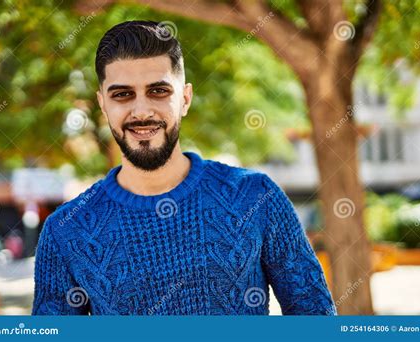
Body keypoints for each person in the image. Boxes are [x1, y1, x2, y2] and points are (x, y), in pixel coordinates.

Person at [32, 20, 336, 315]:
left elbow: (316, 318)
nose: (141, 111)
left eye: (158, 91)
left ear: (185, 99)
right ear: (103, 104)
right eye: (123, 94)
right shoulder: (66, 230)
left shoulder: (256, 198)